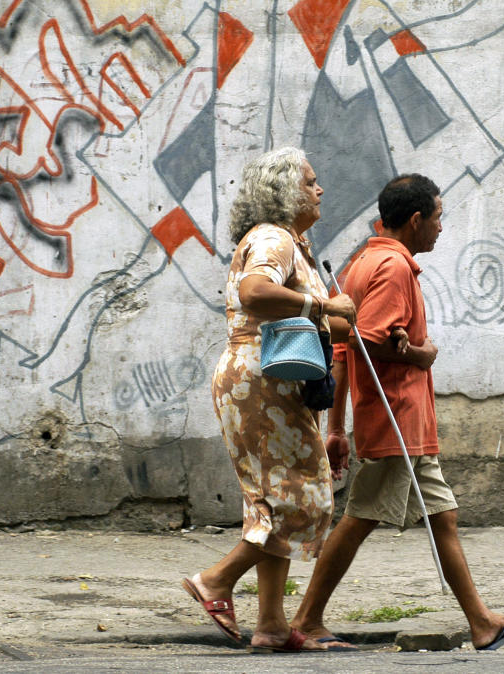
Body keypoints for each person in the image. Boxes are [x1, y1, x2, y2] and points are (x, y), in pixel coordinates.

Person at [289, 174, 504, 651]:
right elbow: (375, 339)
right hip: (397, 417)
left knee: (443, 517)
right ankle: (306, 619)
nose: (441, 228)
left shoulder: (364, 262)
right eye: (438, 217)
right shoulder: (392, 267)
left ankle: (481, 623)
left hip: (400, 419)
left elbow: (345, 347)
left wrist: (337, 427)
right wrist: (420, 355)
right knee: (359, 518)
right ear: (417, 220)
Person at [182, 146, 357, 653]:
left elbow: (317, 315)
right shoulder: (272, 237)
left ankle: (273, 626)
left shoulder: (294, 243)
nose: (319, 189)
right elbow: (257, 290)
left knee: (274, 496)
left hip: (272, 379)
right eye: (310, 181)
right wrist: (320, 302)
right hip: (259, 379)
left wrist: (340, 318)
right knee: (300, 495)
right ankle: (216, 579)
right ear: (282, 190)